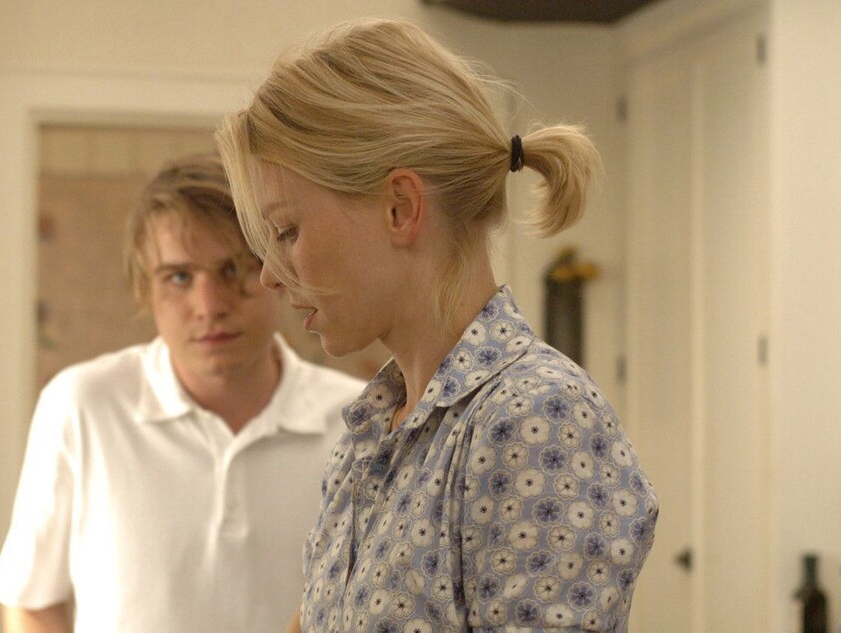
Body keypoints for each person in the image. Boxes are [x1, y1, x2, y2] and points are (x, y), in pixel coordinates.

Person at [215, 18, 659, 633]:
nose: (269, 274)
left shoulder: (536, 420)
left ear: (401, 208)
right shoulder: (376, 431)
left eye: (288, 231)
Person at [0, 152, 364, 633]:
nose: (208, 306)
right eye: (179, 277)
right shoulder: (82, 405)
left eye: (234, 270)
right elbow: (32, 602)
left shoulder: (359, 424)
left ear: (279, 272)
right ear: (146, 290)